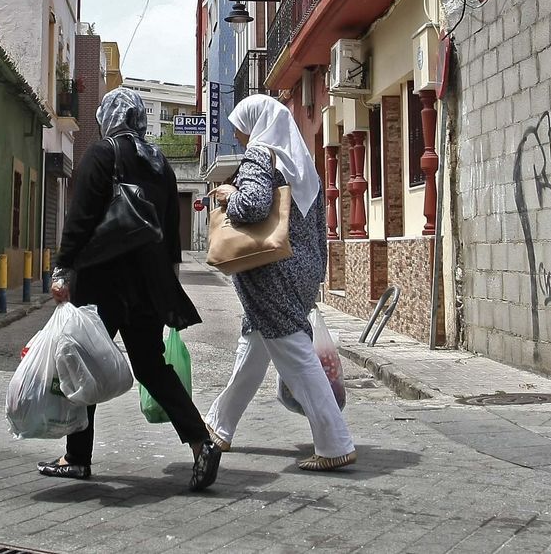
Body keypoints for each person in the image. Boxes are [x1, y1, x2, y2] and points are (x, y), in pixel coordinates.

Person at [44, 87, 222, 491]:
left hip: (102, 279)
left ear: (109, 116)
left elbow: (81, 218)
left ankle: (76, 457)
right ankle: (201, 441)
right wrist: (168, 284)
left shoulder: (103, 153)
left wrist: (62, 268)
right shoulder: (160, 163)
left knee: (82, 361)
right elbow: (171, 238)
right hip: (146, 285)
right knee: (151, 367)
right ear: (140, 119)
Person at [203, 94, 357, 471]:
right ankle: (219, 425)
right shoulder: (303, 163)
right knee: (252, 348)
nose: (238, 135)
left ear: (255, 123)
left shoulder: (261, 154)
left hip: (272, 275)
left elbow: (253, 206)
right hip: (301, 271)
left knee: (295, 354)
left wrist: (228, 194)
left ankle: (335, 442)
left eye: (240, 126)